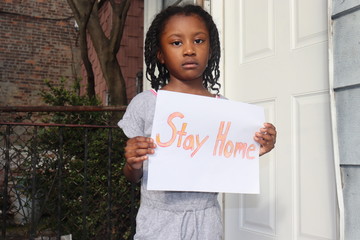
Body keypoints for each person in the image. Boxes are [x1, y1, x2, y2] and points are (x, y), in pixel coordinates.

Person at [118, 4, 277, 240]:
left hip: (207, 221)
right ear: (160, 54)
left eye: (199, 41)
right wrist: (133, 163)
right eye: (176, 43)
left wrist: (256, 148)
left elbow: (227, 160)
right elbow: (133, 177)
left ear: (211, 50)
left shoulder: (224, 109)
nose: (189, 50)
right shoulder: (145, 104)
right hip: (158, 221)